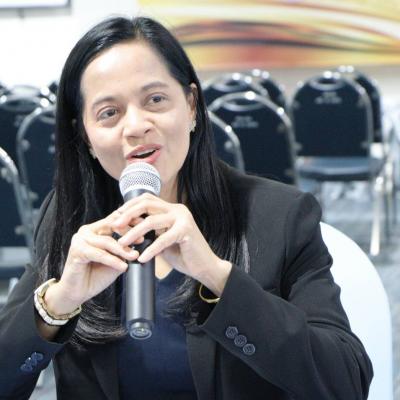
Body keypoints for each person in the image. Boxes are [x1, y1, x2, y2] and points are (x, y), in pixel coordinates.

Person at [0, 16, 372, 400]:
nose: (136, 126)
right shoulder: (68, 219)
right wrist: (59, 302)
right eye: (109, 113)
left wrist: (217, 276)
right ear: (86, 137)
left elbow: (345, 383)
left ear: (191, 106)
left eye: (155, 100)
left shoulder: (280, 215)